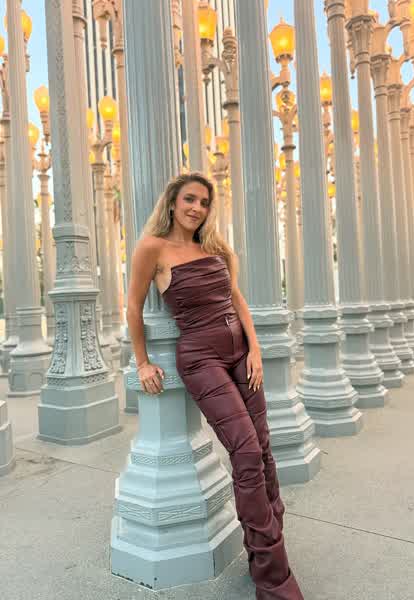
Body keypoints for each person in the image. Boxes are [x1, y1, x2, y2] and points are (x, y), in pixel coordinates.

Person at [126, 172, 304, 600]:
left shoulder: (214, 248)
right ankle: (273, 580)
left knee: (263, 448)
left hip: (242, 354)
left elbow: (236, 298)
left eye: (204, 202)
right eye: (190, 199)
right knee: (245, 450)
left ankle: (269, 546)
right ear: (172, 202)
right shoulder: (152, 248)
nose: (197, 208)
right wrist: (143, 362)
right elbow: (132, 305)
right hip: (200, 357)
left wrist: (255, 349)